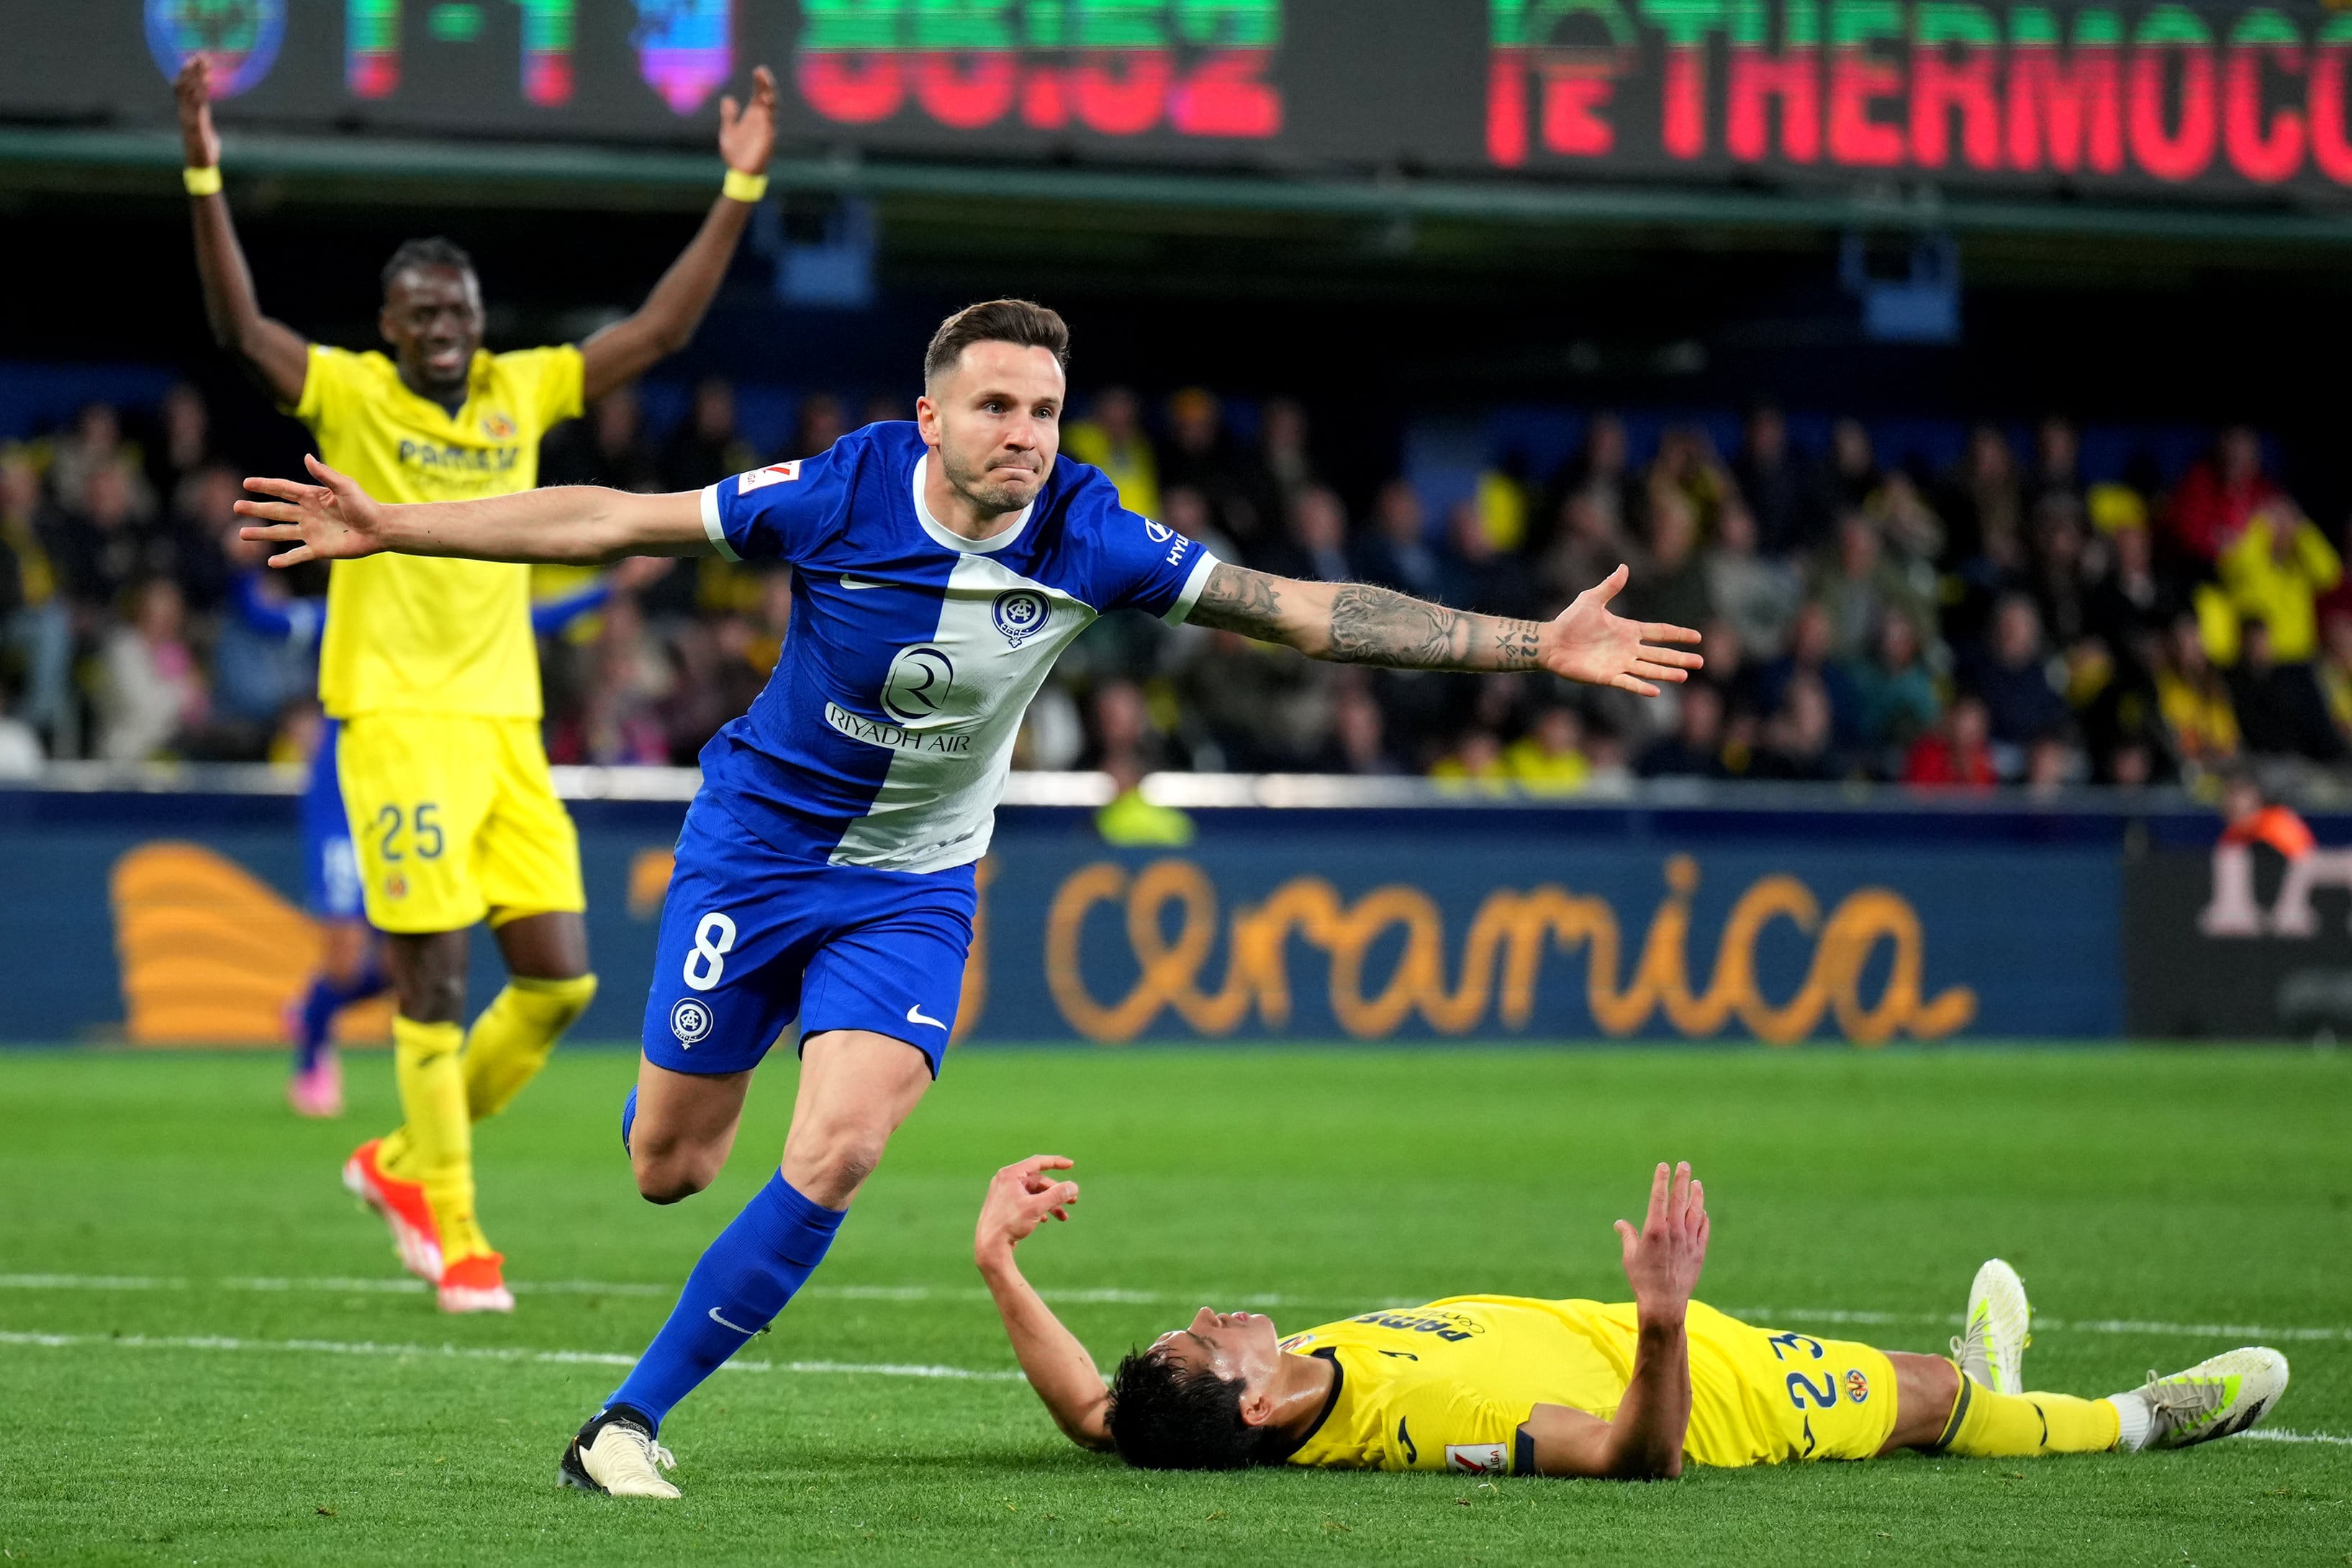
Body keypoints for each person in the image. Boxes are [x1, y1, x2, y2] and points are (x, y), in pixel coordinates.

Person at [236, 297, 1706, 1497]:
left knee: (842, 1147)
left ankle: (623, 1422)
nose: (1024, 433)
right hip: (756, 850)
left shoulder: (1092, 536)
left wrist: (1531, 644)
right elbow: (610, 519)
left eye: (1045, 409)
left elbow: (1303, 611)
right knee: (669, 1167)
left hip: (914, 889)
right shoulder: (835, 491)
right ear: (930, 415)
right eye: (995, 406)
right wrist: (398, 527)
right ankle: (650, 1119)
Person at [177, 53, 779, 1311]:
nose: (445, 329)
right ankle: (454, 1232)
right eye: (421, 313)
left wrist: (737, 181)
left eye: (459, 309)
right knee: (434, 981)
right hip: (392, 719)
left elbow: (661, 330)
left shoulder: (522, 389)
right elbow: (239, 330)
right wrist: (203, 162)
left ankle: (401, 1162)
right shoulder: (344, 391)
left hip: (506, 724)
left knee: (560, 980)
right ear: (388, 325)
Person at [976, 1154, 2290, 1477]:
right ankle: (2142, 1418)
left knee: (1915, 1376)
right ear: (1253, 1403)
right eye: (1213, 1341)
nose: (1215, 1314)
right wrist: (1663, 1323)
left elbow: (1103, 1414)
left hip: (1649, 1334)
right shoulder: (1444, 1423)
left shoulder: (1204, 1415)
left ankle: (1989, 1376)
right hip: (1696, 1389)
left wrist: (1001, 1265)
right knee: (1929, 1408)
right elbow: (1630, 1458)